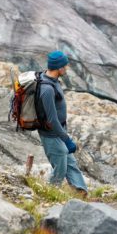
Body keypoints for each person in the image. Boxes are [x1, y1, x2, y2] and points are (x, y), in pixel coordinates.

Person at [37, 50, 88, 196]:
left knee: (71, 164)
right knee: (60, 168)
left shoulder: (53, 81)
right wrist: (67, 140)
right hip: (51, 134)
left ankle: (81, 192)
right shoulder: (46, 89)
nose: (66, 69)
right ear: (59, 68)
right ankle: (48, 195)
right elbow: (52, 119)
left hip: (59, 132)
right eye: (65, 66)